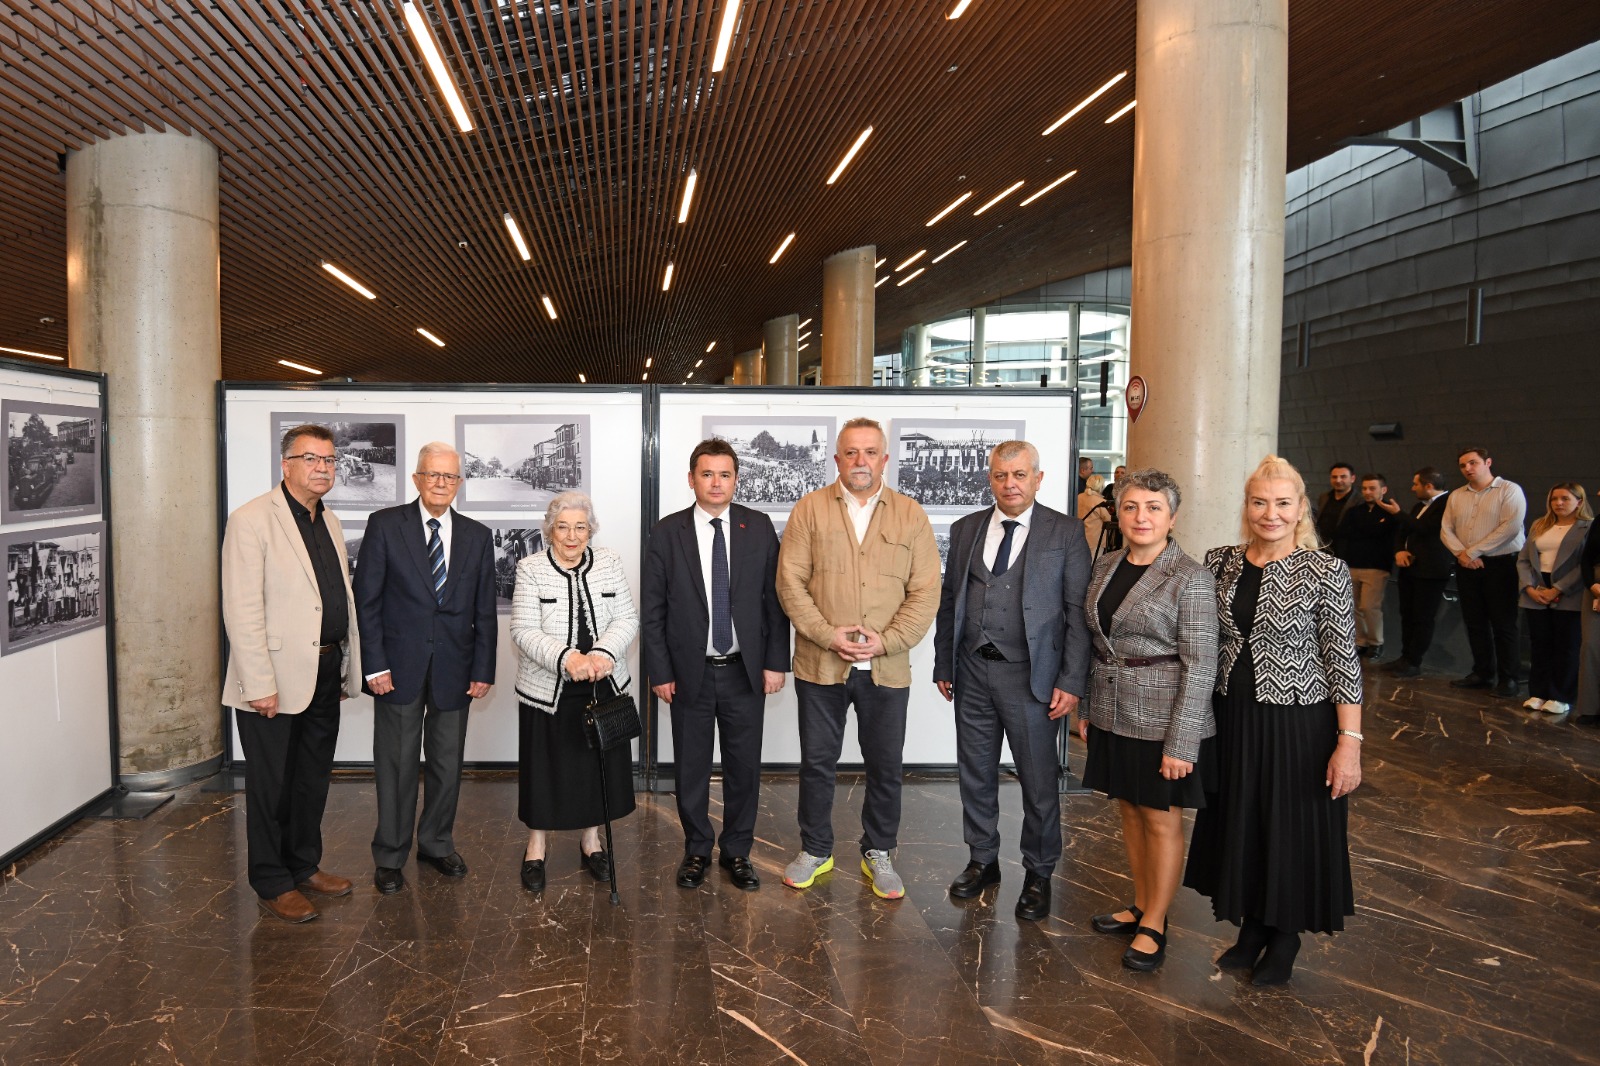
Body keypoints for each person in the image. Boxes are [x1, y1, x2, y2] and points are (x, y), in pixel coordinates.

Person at [1184, 455, 1363, 986]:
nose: (1271, 513)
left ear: (1301, 508)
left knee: (1290, 826)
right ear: (1247, 506)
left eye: (1283, 503)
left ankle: (1285, 936)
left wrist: (1349, 741)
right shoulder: (1219, 562)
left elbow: (1342, 659)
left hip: (1298, 722)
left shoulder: (1323, 569)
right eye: (1260, 502)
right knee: (1245, 820)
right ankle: (1253, 930)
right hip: (1231, 717)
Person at [776, 417, 940, 900]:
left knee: (886, 765)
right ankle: (816, 849)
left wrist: (885, 641)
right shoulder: (809, 510)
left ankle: (880, 852)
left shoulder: (911, 515)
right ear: (837, 459)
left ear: (885, 460)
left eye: (870, 452)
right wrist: (830, 636)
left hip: (886, 668)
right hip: (820, 665)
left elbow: (926, 592)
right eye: (851, 452)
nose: (861, 461)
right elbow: (791, 583)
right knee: (817, 763)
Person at [932, 440, 1090, 922]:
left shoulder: (1065, 532)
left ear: (1038, 479)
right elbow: (948, 600)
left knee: (1039, 781)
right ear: (990, 478)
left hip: (1033, 676)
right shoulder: (964, 530)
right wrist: (944, 663)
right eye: (1001, 475)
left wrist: (1071, 680)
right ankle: (983, 860)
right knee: (975, 773)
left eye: (1020, 475)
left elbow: (1077, 613)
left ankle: (1039, 872)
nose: (1010, 484)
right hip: (972, 672)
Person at [221, 424, 363, 923]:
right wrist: (258, 683)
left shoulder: (329, 520)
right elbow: (241, 611)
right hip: (273, 682)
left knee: (310, 780)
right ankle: (271, 880)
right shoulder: (252, 519)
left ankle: (303, 865)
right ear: (286, 465)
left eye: (329, 460)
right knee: (270, 786)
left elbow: (334, 597)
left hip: (323, 671)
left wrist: (344, 668)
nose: (323, 468)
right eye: (311, 459)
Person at [1078, 469, 1217, 970]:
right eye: (1132, 506)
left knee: (1160, 819)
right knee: (1129, 812)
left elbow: (1201, 664)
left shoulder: (1191, 577)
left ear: (1172, 517)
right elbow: (1100, 643)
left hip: (1164, 721)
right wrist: (1090, 710)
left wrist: (1182, 743)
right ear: (1119, 512)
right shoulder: (1109, 564)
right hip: (1114, 711)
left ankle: (1156, 921)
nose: (1141, 516)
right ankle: (1140, 902)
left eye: (1154, 508)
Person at [641, 439, 789, 892]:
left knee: (744, 767)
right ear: (692, 479)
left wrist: (775, 662)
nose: (716, 482)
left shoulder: (758, 527)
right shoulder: (668, 532)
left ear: (736, 479)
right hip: (690, 674)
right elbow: (653, 610)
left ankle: (738, 851)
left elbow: (774, 602)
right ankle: (697, 849)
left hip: (745, 670)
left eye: (725, 475)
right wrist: (660, 671)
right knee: (691, 767)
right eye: (707, 474)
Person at [354, 442, 496, 894]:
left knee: (447, 764)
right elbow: (367, 601)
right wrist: (373, 663)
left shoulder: (477, 536)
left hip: (456, 668)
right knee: (395, 764)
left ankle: (436, 843)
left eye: (450, 476)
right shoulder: (385, 525)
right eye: (433, 475)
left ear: (459, 482)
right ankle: (391, 853)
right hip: (397, 667)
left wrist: (484, 668)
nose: (441, 483)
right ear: (416, 479)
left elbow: (485, 612)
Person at [510, 491, 638, 893]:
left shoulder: (611, 563)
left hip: (602, 683)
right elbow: (523, 630)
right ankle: (536, 846)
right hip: (548, 689)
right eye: (563, 527)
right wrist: (568, 658)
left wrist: (601, 654)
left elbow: (626, 618)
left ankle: (591, 841)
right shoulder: (530, 568)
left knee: (594, 770)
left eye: (580, 527)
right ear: (550, 530)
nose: (571, 536)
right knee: (545, 771)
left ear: (590, 530)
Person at [1441, 447, 1527, 698]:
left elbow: (1510, 528)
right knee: (1475, 621)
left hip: (1500, 565)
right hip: (1466, 565)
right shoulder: (1457, 495)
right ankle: (1482, 672)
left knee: (1504, 624)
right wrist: (1462, 555)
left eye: (1473, 463)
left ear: (1488, 462)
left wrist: (1473, 552)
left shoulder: (1509, 490)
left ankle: (1509, 678)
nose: (1468, 468)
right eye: (1463, 465)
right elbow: (1446, 529)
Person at [1516, 484, 1593, 715]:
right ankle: (1538, 693)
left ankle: (1561, 696)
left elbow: (1585, 564)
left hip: (1569, 592)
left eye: (1565, 499)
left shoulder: (1588, 527)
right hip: (1536, 590)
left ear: (1579, 502)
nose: (1558, 503)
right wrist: (1529, 587)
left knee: (1566, 646)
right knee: (1540, 644)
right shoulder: (1540, 524)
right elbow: (1523, 559)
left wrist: (1557, 588)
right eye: (1554, 499)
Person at [1385, 467, 1456, 677]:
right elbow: (1404, 531)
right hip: (1410, 568)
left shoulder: (1446, 504)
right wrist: (1399, 550)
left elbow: (1425, 529)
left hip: (1431, 570)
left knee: (1423, 617)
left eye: (1416, 484)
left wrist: (1398, 513)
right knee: (1407, 614)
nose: (1412, 488)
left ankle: (1414, 661)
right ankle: (1404, 656)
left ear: (1429, 486)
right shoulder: (1418, 506)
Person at [1333, 474, 1400, 658]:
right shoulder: (1355, 511)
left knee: (1370, 606)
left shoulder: (1390, 513)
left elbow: (1380, 533)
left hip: (1376, 566)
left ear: (1383, 490)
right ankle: (1360, 641)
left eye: (1372, 488)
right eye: (1364, 489)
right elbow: (1343, 532)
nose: (1367, 492)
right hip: (1353, 563)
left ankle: (1376, 642)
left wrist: (1367, 530)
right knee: (1353, 606)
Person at [1574, 529, 1600, 727]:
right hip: (1595, 586)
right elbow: (1586, 559)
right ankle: (1589, 709)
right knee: (1590, 646)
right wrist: (1593, 585)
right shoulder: (1599, 520)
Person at [1314, 462, 1357, 547]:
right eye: (1334, 477)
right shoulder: (1324, 497)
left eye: (1343, 477)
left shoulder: (1359, 500)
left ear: (1352, 478)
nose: (1338, 480)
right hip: (1321, 546)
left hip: (1344, 548)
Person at [1078, 473, 1112, 556]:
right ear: (1101, 486)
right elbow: (1108, 519)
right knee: (1093, 565)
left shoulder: (1078, 497)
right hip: (1095, 540)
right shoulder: (1100, 502)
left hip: (1079, 537)